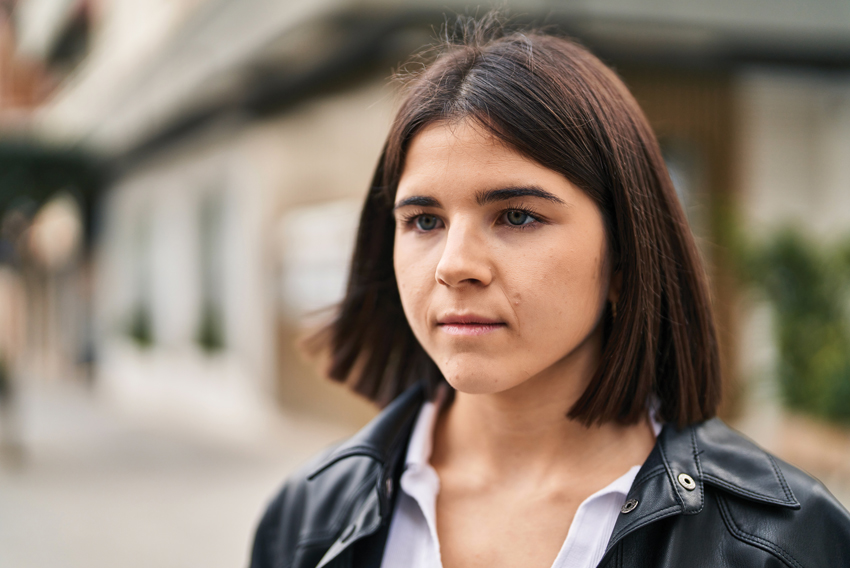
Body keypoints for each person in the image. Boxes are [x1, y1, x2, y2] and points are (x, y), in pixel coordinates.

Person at [250, 17, 850, 568]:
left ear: (625, 252)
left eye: (516, 216)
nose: (454, 267)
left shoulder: (779, 542)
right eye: (425, 221)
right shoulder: (308, 518)